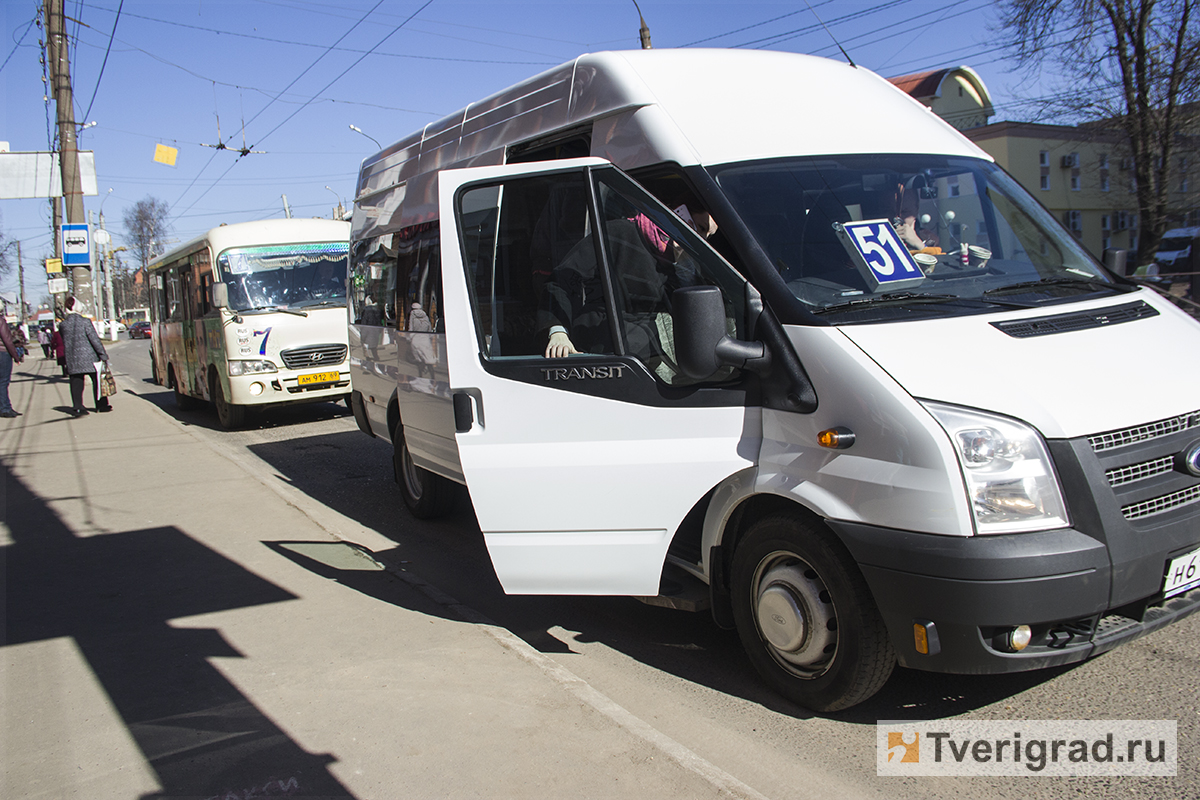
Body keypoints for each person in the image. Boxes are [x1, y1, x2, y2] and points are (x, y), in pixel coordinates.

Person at [59, 296, 112, 417]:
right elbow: (94, 340)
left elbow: (64, 340)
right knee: (97, 380)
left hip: (72, 357)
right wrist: (102, 354)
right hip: (89, 357)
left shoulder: (63, 325)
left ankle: (78, 407)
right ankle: (101, 405)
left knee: (76, 382)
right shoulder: (85, 322)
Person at [0, 316, 25, 418]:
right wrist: (15, 356)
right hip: (2, 353)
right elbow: (7, 339)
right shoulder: (0, 320)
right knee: (3, 382)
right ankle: (5, 408)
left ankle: (5, 406)